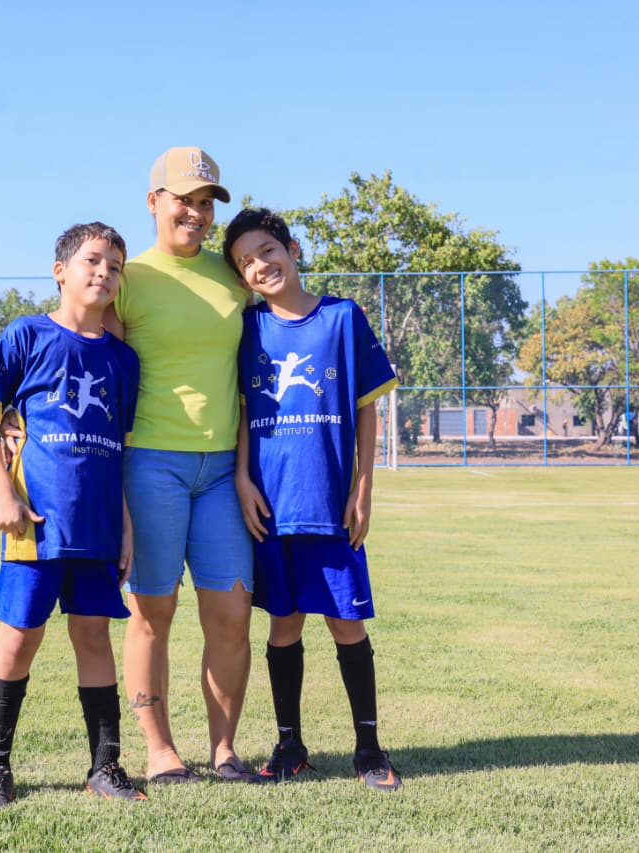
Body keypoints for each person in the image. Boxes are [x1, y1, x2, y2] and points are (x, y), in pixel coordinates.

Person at [223, 207, 403, 790]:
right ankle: (289, 746)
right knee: (283, 625)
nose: (260, 265)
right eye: (246, 262)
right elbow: (245, 411)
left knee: (346, 624)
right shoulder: (248, 329)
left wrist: (364, 485)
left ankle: (370, 749)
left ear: (292, 249)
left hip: (329, 501)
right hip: (271, 506)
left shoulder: (342, 318)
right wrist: (243, 478)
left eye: (267, 251)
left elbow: (368, 406)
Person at [0, 222, 146, 812]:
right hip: (35, 525)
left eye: (115, 266)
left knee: (94, 636)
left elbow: (118, 447)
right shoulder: (26, 336)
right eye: (93, 261)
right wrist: (2, 492)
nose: (104, 273)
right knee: (18, 639)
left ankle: (105, 765)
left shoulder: (123, 361)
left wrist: (123, 522)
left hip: (96, 526)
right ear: (61, 271)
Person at [101, 147, 255, 783]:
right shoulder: (128, 277)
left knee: (232, 614)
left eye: (206, 202)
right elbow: (93, 368)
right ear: (153, 201)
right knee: (151, 613)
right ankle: (159, 751)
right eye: (183, 199)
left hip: (222, 469)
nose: (195, 212)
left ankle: (224, 750)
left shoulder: (234, 277)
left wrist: (245, 468)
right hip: (150, 464)